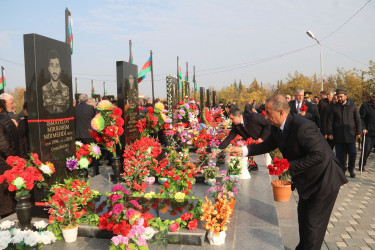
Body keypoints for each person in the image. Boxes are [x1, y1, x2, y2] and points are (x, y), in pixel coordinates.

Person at [228, 95, 347, 250]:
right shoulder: (277, 127)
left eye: (269, 113)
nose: (266, 117)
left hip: (324, 179)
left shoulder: (303, 127)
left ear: (281, 112)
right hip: (308, 180)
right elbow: (268, 144)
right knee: (303, 219)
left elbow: (320, 155)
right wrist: (244, 150)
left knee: (313, 226)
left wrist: (288, 166)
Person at [327, 88, 361, 178]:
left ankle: (351, 169)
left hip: (350, 135)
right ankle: (342, 170)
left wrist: (359, 132)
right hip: (338, 136)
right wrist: (330, 132)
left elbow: (358, 119)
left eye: (341, 97)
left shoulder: (352, 105)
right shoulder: (334, 107)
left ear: (346, 96)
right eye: (338, 97)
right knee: (340, 155)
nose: (339, 99)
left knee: (353, 153)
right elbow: (330, 121)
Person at [0, 99, 21, 218]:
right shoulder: (8, 119)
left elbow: (3, 146)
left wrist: (11, 157)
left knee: (5, 201)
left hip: (4, 163)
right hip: (12, 160)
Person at [74, 94, 100, 176]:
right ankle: (96, 171)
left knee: (80, 153)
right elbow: (94, 120)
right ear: (87, 100)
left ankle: (83, 171)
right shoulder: (91, 108)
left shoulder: (74, 109)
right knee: (93, 152)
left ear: (79, 100)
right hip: (89, 134)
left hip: (78, 133)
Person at [42, 50, 69, 114]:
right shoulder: (43, 89)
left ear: (60, 69)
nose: (54, 69)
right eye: (52, 65)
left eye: (57, 65)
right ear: (48, 69)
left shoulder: (66, 89)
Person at [358, 91, 375, 171]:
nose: (374, 99)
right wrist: (363, 128)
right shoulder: (365, 106)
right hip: (368, 132)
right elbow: (361, 118)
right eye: (373, 97)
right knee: (367, 150)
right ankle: (362, 164)